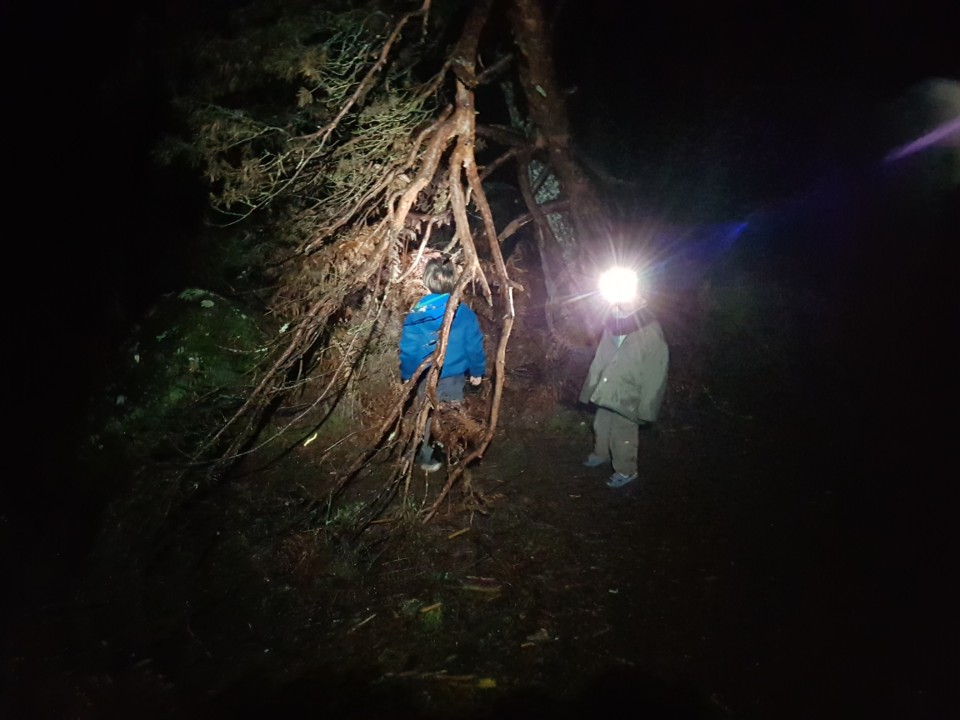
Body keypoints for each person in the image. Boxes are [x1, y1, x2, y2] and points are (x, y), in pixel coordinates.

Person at [399, 258, 486, 472]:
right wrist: (477, 371)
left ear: (426, 281)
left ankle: (427, 456)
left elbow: (409, 348)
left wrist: (407, 374)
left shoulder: (418, 313)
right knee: (450, 414)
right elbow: (474, 345)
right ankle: (446, 451)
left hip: (427, 376)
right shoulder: (464, 313)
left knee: (426, 413)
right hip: (455, 377)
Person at [579, 295, 669, 488]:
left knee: (623, 433)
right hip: (608, 387)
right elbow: (600, 358)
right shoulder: (613, 323)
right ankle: (601, 454)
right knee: (601, 424)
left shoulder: (650, 330)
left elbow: (657, 370)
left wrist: (647, 405)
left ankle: (626, 470)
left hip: (631, 393)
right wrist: (592, 386)